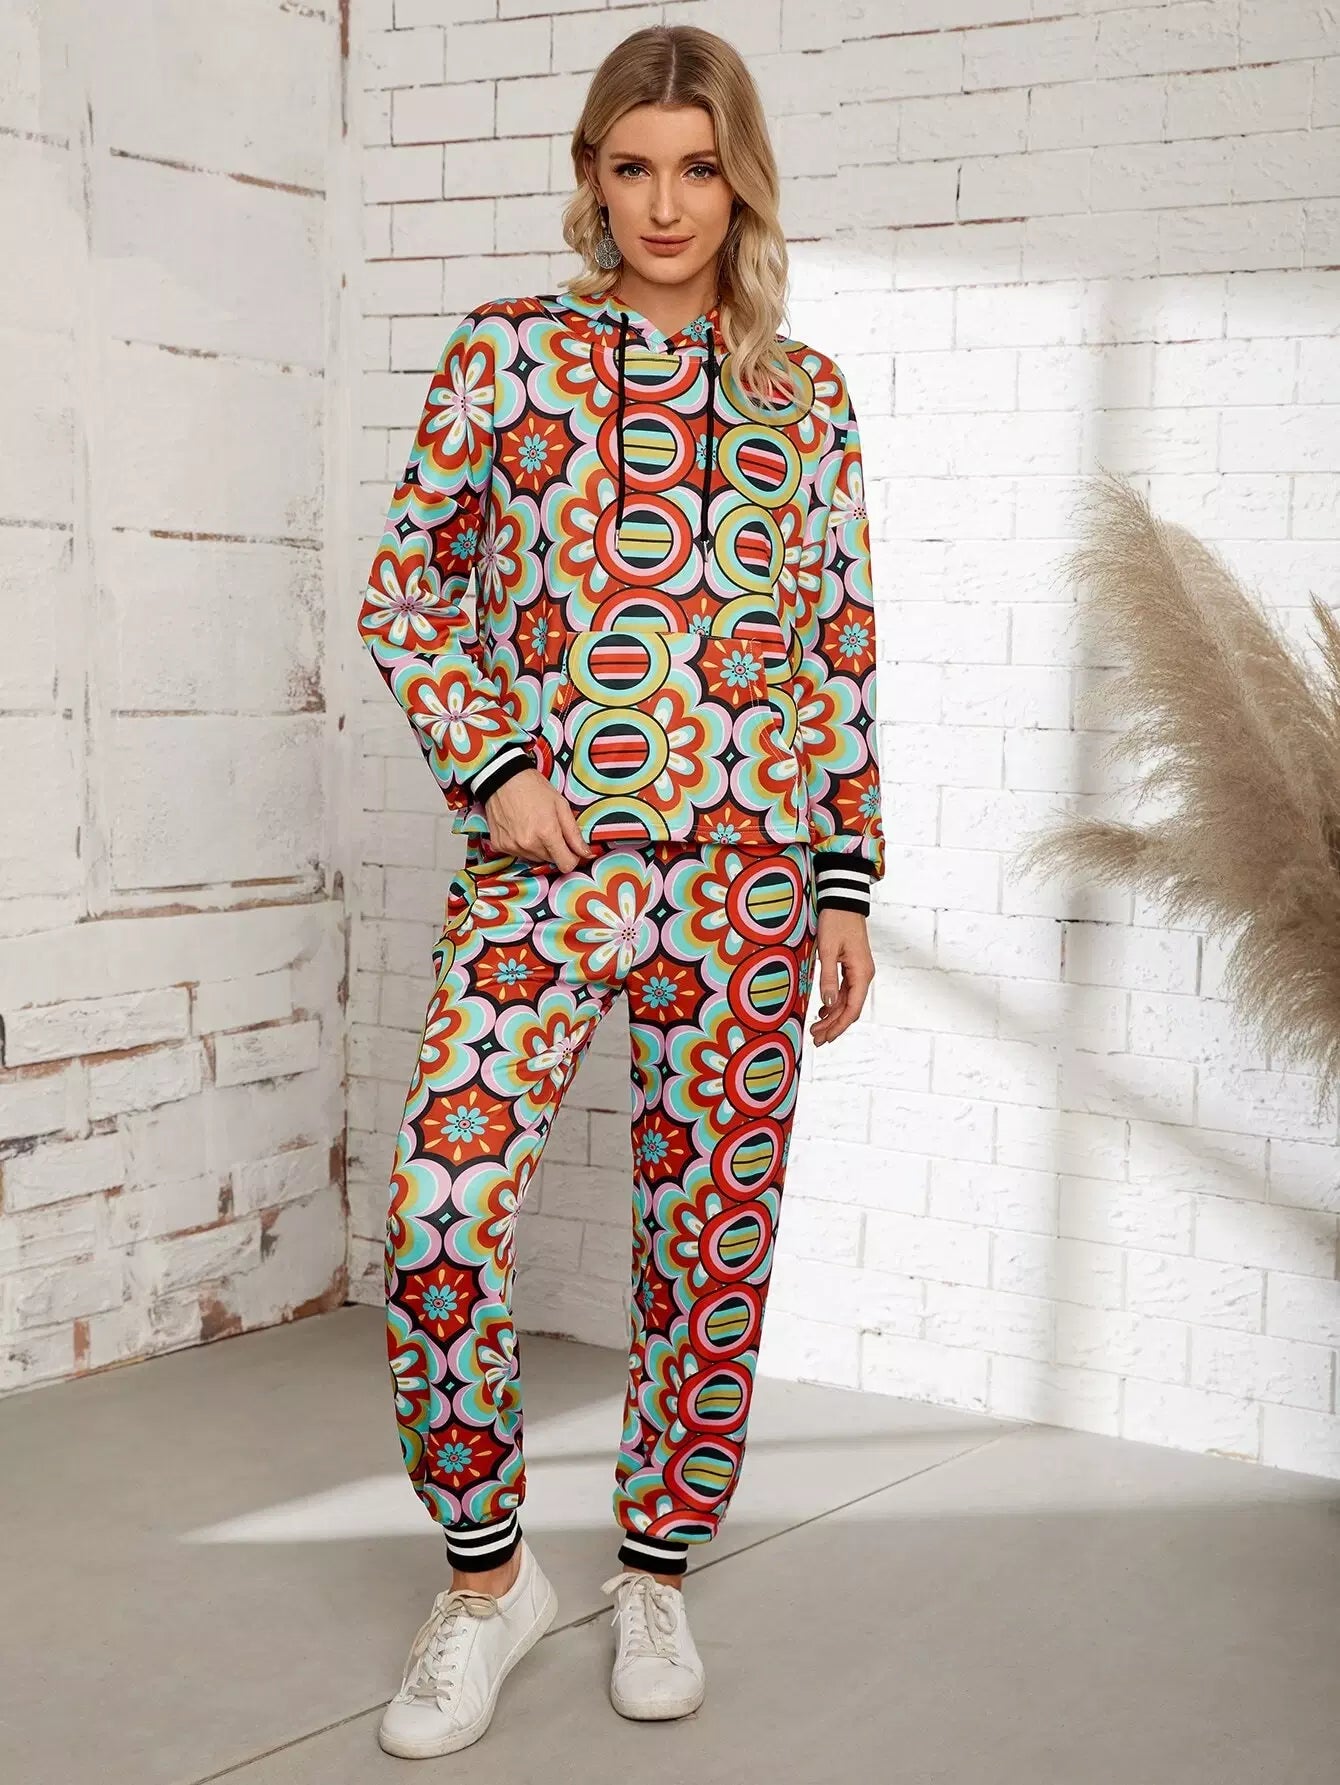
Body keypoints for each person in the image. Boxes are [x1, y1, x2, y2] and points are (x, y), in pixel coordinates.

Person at [357, 21, 885, 1762]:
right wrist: (498, 764)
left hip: (751, 882)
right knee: (439, 1213)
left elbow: (836, 649)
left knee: (708, 1245)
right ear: (591, 177)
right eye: (634, 166)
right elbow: (406, 590)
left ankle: (656, 1564)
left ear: (742, 180)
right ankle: (488, 1579)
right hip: (549, 870)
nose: (667, 203)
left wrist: (843, 879)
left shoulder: (808, 397)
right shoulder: (508, 355)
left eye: (700, 167)